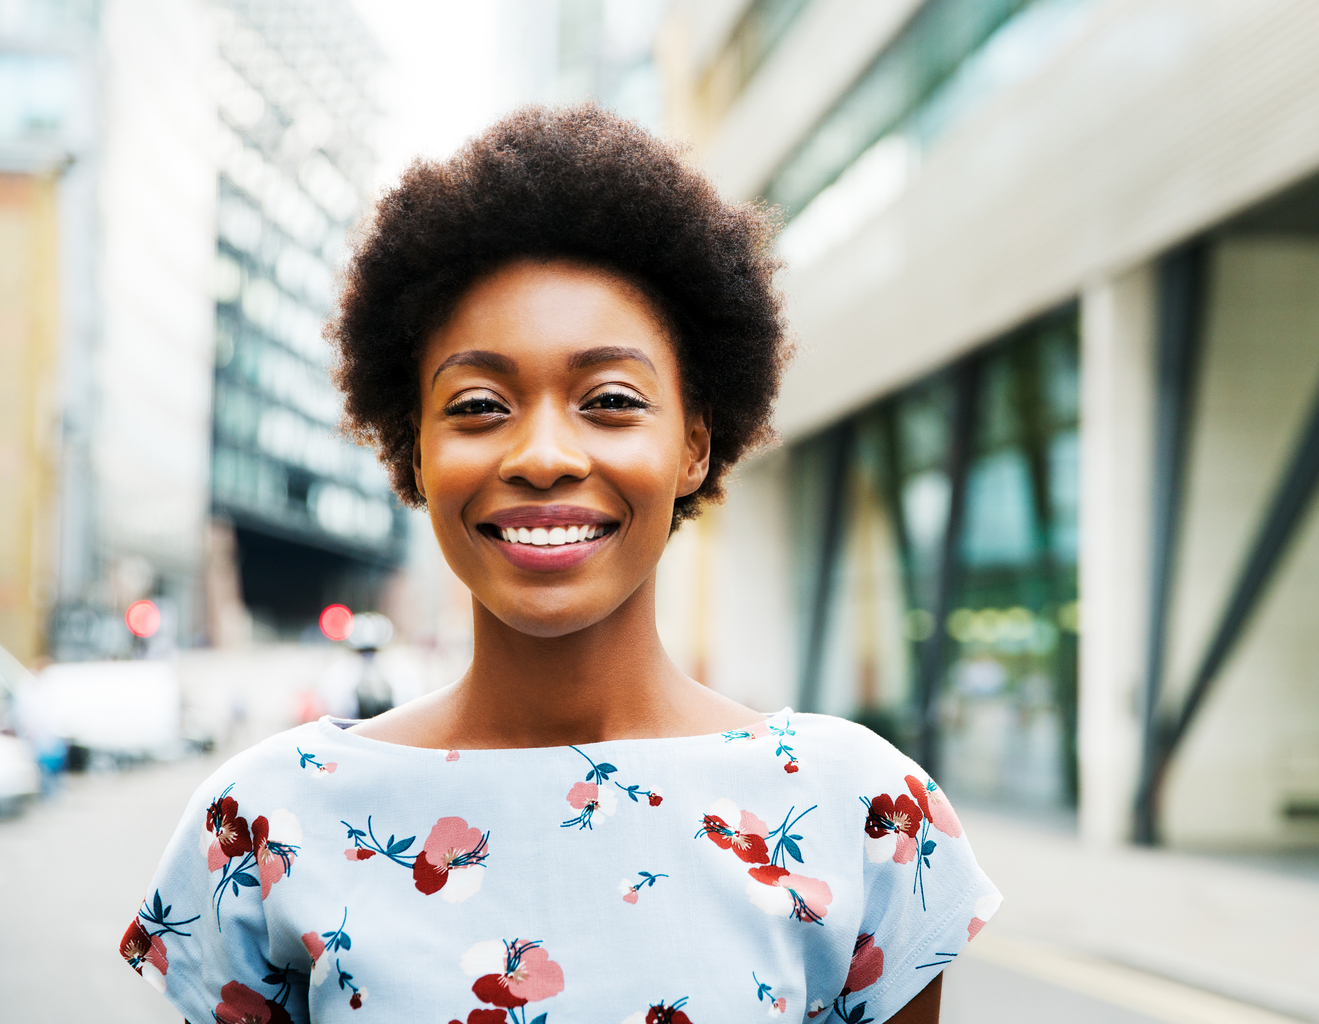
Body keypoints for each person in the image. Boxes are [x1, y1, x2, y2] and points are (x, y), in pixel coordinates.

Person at [119, 105, 1000, 1024]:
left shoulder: (862, 813)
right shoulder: (262, 825)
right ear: (413, 452)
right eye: (478, 405)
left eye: (610, 399)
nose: (542, 455)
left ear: (694, 447)